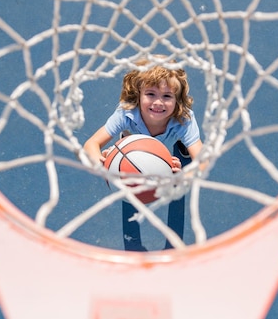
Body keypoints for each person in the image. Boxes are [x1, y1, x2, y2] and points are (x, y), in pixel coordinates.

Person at [84, 57, 203, 251]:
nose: (158, 102)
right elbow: (91, 144)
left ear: (177, 100)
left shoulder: (183, 119)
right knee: (129, 192)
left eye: (167, 96)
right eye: (150, 94)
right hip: (133, 144)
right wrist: (102, 164)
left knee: (179, 188)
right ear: (137, 94)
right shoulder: (126, 113)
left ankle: (182, 149)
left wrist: (181, 177)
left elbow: (204, 160)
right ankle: (132, 242)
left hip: (172, 138)